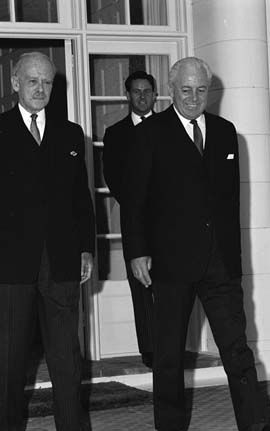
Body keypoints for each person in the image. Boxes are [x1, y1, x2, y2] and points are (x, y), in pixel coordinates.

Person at [121, 57, 270, 431]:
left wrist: (234, 259)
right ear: (171, 90)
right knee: (168, 351)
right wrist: (137, 252)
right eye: (186, 90)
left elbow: (230, 201)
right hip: (168, 262)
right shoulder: (150, 133)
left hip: (219, 262)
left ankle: (258, 430)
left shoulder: (224, 132)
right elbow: (134, 202)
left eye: (201, 90)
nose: (194, 98)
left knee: (236, 345)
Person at [0, 52, 95, 431]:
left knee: (67, 363)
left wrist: (86, 249)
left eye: (48, 82)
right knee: (12, 363)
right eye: (33, 81)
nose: (41, 89)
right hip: (10, 264)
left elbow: (81, 201)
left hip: (62, 264)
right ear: (15, 83)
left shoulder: (71, 135)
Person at [102, 70, 157, 368]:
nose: (142, 96)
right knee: (141, 287)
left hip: (169, 225)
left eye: (147, 91)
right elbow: (114, 179)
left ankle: (170, 347)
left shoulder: (167, 127)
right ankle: (149, 350)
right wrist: (141, 207)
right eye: (136, 91)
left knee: (169, 287)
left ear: (155, 94)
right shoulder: (116, 134)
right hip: (135, 222)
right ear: (127, 95)